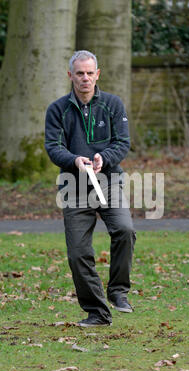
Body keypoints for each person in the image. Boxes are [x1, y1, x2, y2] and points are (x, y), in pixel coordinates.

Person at [44, 50, 136, 327]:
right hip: (74, 185)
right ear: (70, 76)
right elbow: (53, 147)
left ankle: (118, 292)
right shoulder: (57, 110)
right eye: (79, 73)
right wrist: (74, 160)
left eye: (89, 73)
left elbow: (122, 143)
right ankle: (97, 312)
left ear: (98, 74)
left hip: (108, 180)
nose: (85, 78)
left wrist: (102, 158)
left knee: (124, 230)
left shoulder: (112, 104)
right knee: (78, 254)